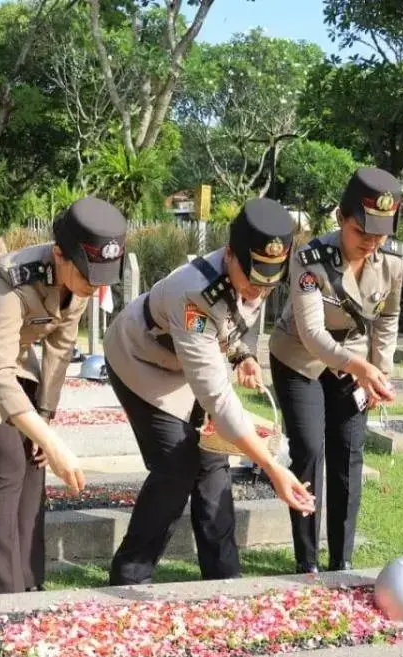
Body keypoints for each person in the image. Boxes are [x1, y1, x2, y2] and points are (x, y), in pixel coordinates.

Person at [103, 198, 317, 586]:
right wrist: (273, 468)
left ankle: (224, 579)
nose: (258, 290)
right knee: (177, 465)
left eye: (269, 280)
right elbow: (217, 398)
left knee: (215, 464)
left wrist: (243, 355)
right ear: (230, 254)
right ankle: (130, 575)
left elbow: (236, 322)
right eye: (252, 277)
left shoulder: (256, 277)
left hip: (187, 362)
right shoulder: (194, 293)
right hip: (141, 362)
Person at [0, 197, 127, 595]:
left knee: (33, 464)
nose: (95, 285)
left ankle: (28, 582)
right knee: (3, 470)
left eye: (102, 277)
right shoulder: (9, 277)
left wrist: (45, 417)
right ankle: (1, 594)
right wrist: (53, 443)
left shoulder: (83, 275)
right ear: (58, 254)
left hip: (12, 356)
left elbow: (59, 349)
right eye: (88, 275)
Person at [269, 167, 403, 573]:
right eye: (362, 230)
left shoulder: (392, 265)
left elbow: (388, 318)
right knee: (309, 450)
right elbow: (311, 333)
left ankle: (341, 560)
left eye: (380, 233)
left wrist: (378, 372)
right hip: (300, 360)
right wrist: (361, 366)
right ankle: (306, 560)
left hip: (353, 366)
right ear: (341, 218)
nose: (371, 242)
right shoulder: (309, 260)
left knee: (349, 453)